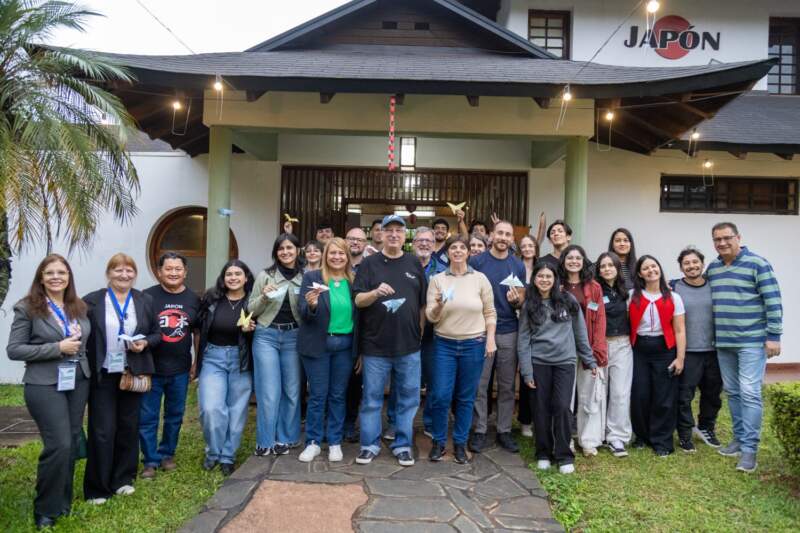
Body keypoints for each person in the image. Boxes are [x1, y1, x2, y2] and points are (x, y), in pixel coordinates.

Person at [7, 254, 91, 529]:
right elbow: (14, 349)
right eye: (50, 273)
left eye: (62, 272)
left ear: (69, 277)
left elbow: (84, 342)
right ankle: (44, 511)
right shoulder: (27, 308)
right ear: (40, 278)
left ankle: (61, 502)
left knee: (72, 440)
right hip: (44, 384)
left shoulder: (78, 307)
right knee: (59, 445)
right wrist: (57, 348)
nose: (56, 277)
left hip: (77, 381)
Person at [82, 253, 161, 504]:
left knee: (129, 427)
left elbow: (157, 333)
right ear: (109, 273)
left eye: (129, 271)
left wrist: (145, 342)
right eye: (118, 270)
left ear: (134, 275)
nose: (124, 275)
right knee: (102, 430)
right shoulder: (92, 301)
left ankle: (123, 479)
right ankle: (97, 487)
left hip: (132, 372)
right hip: (103, 374)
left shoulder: (144, 299)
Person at [707, 222, 782, 473]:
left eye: (727, 238)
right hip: (724, 342)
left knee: (749, 392)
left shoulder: (758, 264)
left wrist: (774, 336)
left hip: (751, 341)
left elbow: (773, 301)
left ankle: (750, 450)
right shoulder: (714, 268)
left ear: (738, 237)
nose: (722, 243)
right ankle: (738, 440)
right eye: (717, 239)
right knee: (733, 392)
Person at [353, 214, 426, 467]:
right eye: (389, 230)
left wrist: (420, 332)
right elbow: (358, 300)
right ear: (381, 234)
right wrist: (374, 292)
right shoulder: (369, 264)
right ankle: (369, 445)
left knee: (408, 399)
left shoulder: (414, 263)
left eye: (399, 230)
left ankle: (403, 445)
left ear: (405, 235)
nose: (394, 234)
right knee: (372, 400)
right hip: (375, 347)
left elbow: (422, 306)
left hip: (409, 347)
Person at [518, 262, 595, 475]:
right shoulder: (529, 305)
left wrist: (589, 359)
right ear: (534, 280)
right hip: (538, 363)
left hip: (564, 362)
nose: (544, 280)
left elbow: (580, 332)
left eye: (548, 276)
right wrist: (526, 371)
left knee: (562, 407)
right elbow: (523, 341)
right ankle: (543, 452)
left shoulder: (568, 302)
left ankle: (563, 455)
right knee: (541, 409)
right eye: (540, 276)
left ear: (555, 279)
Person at [426, 235, 497, 463]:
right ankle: (438, 441)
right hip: (444, 344)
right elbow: (430, 316)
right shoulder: (437, 280)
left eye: (461, 247)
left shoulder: (480, 279)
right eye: (453, 247)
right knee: (440, 395)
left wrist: (490, 339)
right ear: (447, 253)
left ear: (468, 252)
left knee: (466, 397)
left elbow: (489, 312)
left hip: (473, 344)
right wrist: (438, 305)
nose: (457, 251)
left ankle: (459, 442)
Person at [138, 252, 200, 479]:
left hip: (180, 369)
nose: (173, 273)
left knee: (175, 414)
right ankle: (150, 460)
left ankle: (167, 454)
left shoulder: (194, 299)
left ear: (185, 272)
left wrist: (196, 361)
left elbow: (196, 332)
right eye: (168, 269)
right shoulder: (146, 296)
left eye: (178, 269)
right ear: (159, 271)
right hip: (151, 368)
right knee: (148, 416)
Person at [468, 220, 526, 453]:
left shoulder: (518, 265)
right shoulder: (477, 261)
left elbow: (521, 297)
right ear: (491, 236)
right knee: (479, 384)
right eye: (500, 233)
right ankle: (480, 429)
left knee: (506, 385)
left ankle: (503, 430)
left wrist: (516, 300)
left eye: (508, 235)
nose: (503, 237)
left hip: (508, 330)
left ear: (512, 239)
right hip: (480, 331)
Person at [297, 238, 358, 462]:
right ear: (325, 256)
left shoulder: (354, 281)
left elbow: (360, 317)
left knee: (338, 395)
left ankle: (334, 441)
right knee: (317, 395)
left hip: (345, 345)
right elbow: (302, 310)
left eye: (341, 254)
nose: (337, 257)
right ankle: (313, 442)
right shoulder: (312, 278)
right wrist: (311, 305)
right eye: (332, 253)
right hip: (318, 345)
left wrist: (359, 350)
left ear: (347, 257)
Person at [197, 260, 256, 475]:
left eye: (238, 273)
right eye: (228, 274)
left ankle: (227, 455)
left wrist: (252, 330)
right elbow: (198, 328)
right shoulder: (212, 300)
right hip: (213, 357)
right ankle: (213, 451)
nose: (233, 277)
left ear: (246, 277)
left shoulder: (253, 302)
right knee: (211, 408)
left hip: (241, 359)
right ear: (223, 278)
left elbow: (263, 333)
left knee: (237, 410)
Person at [248, 233, 304, 456]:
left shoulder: (306, 275)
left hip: (294, 337)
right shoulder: (265, 275)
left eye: (290, 248)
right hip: (266, 336)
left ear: (297, 250)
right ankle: (265, 441)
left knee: (292, 390)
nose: (286, 252)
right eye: (281, 249)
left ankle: (287, 438)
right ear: (276, 253)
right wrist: (263, 296)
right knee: (269, 391)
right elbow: (250, 309)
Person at [629, 255, 686, 457]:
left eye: (654, 266)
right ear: (639, 273)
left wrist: (680, 358)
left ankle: (661, 440)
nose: (651, 270)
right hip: (639, 349)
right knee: (640, 394)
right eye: (645, 268)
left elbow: (680, 329)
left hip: (664, 349)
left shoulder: (673, 297)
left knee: (664, 396)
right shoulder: (632, 295)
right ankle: (642, 436)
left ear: (659, 269)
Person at [670, 247, 722, 453]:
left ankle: (706, 427)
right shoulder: (674, 288)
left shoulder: (714, 286)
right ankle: (684, 431)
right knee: (684, 395)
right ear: (681, 267)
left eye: (695, 262)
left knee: (713, 394)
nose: (691, 266)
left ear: (702, 263)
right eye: (686, 263)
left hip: (713, 350)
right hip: (688, 351)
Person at [559, 245, 607, 456]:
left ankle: (587, 439)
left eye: (578, 258)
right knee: (564, 397)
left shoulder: (594, 287)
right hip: (561, 349)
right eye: (570, 258)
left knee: (588, 396)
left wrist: (596, 350)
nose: (574, 261)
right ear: (563, 261)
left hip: (587, 347)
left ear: (583, 261)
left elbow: (599, 320)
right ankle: (565, 438)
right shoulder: (556, 285)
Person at [594, 252, 633, 457]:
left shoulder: (627, 291)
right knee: (598, 393)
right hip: (600, 345)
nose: (607, 268)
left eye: (611, 265)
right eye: (603, 266)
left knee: (619, 392)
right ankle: (597, 434)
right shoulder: (594, 290)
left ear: (617, 268)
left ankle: (617, 436)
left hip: (622, 345)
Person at [343, 229, 368, 441]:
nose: (355, 243)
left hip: (359, 330)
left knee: (353, 382)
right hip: (334, 331)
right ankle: (331, 422)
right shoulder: (335, 265)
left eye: (360, 240)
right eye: (352, 239)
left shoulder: (370, 266)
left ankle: (350, 423)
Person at [517, 234, 540, 438]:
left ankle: (532, 419)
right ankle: (524, 420)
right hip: (513, 322)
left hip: (535, 325)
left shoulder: (542, 269)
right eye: (523, 246)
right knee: (520, 371)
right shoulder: (514, 267)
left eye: (530, 245)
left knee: (532, 370)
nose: (527, 248)